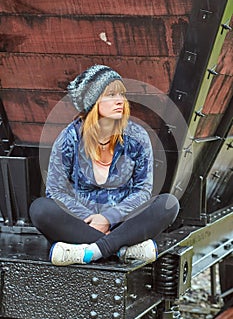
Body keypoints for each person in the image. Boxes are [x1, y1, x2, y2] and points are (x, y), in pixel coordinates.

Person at [29, 65, 179, 266]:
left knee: (168, 204)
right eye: (111, 95)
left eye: (122, 94)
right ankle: (122, 251)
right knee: (40, 209)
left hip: (123, 223)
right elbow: (56, 191)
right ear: (92, 102)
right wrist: (91, 218)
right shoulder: (70, 138)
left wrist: (108, 217)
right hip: (82, 223)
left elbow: (142, 191)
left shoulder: (137, 137)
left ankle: (90, 251)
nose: (120, 101)